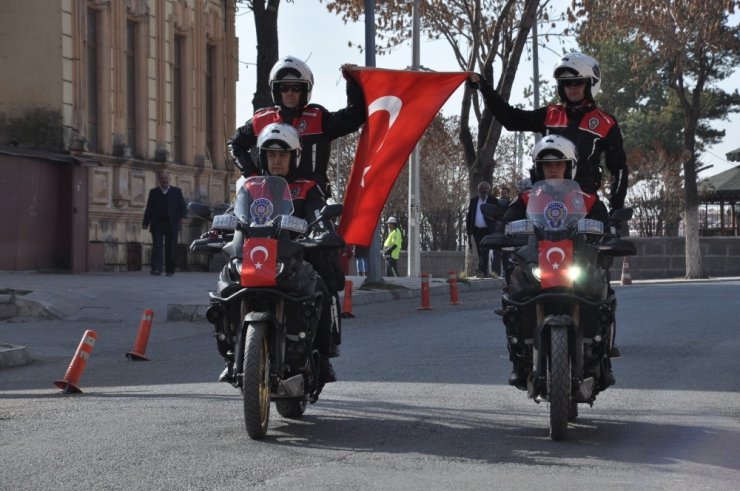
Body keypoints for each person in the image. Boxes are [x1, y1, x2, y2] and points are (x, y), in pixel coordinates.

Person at [220, 122, 340, 385]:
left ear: (293, 157)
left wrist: (321, 228)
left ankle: (323, 356)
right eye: (271, 154)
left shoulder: (308, 187)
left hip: (293, 258)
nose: (276, 160)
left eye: (282, 154)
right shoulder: (251, 187)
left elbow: (318, 213)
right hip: (254, 258)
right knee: (224, 287)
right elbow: (236, 213)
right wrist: (216, 228)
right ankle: (229, 351)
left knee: (320, 289)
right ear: (262, 157)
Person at [502, 135, 614, 389]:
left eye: (559, 164)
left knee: (602, 293)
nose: (553, 169)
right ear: (538, 168)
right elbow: (506, 222)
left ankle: (600, 351)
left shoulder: (587, 199)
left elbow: (607, 226)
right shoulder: (525, 199)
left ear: (569, 166)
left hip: (575, 261)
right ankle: (518, 357)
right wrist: (501, 232)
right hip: (538, 260)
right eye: (547, 165)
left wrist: (611, 236)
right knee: (513, 296)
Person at [469, 52, 628, 212]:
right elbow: (511, 119)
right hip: (544, 200)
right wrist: (484, 88)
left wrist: (616, 209)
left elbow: (619, 168)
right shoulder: (550, 114)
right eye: (567, 83)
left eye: (578, 82)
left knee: (603, 233)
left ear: (591, 83)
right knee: (510, 226)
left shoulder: (605, 123)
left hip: (584, 203)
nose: (572, 88)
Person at [228, 56, 366, 195]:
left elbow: (355, 116)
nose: (290, 93)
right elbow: (234, 144)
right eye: (284, 88)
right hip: (271, 199)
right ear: (276, 89)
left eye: (296, 88)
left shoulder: (318, 118)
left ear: (305, 89)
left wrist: (352, 81)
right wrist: (253, 175)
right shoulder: (261, 120)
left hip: (312, 201)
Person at [142, 170, 187, 276]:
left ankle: (170, 269)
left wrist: (183, 216)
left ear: (169, 179)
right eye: (162, 178)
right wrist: (145, 222)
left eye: (166, 178)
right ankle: (156, 268)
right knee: (157, 246)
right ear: (159, 180)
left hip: (172, 223)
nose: (164, 180)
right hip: (157, 223)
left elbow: (182, 206)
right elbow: (149, 208)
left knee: (171, 247)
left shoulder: (176, 191)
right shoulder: (154, 192)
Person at [465, 181, 498, 276]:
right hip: (476, 230)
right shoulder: (474, 200)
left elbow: (497, 215)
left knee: (486, 250)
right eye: (481, 188)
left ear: (489, 189)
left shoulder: (493, 200)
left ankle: (482, 269)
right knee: (480, 250)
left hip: (488, 230)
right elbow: (469, 216)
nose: (483, 190)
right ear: (478, 190)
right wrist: (469, 230)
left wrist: (494, 226)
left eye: (485, 188)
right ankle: (483, 269)